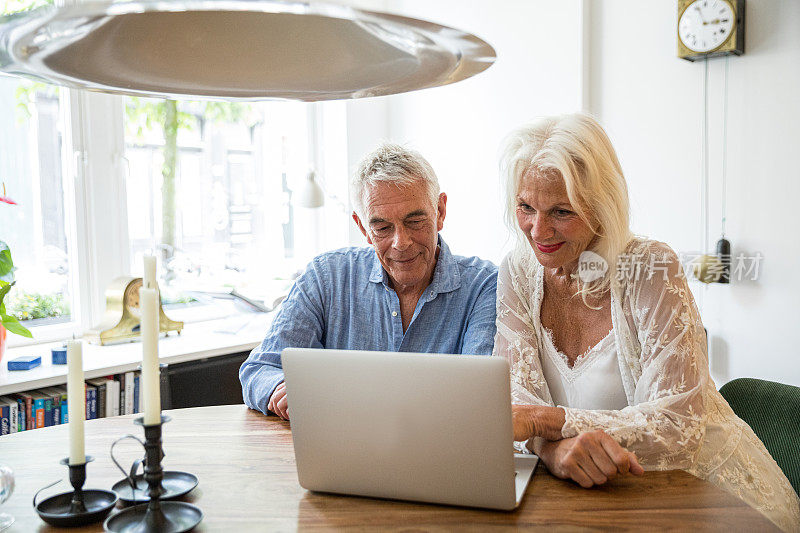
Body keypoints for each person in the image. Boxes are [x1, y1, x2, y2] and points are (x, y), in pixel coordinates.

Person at [494, 113, 799, 532]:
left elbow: (676, 427)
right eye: (526, 207)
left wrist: (548, 422)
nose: (538, 229)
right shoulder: (517, 271)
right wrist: (552, 451)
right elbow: (514, 397)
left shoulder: (650, 268)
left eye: (561, 211)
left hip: (707, 494)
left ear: (601, 206)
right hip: (594, 497)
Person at [240, 143, 498, 420]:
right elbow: (259, 369)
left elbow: (480, 396)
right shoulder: (327, 276)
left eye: (415, 222)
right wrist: (281, 388)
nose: (401, 243)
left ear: (440, 211)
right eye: (382, 228)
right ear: (363, 227)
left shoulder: (484, 285)